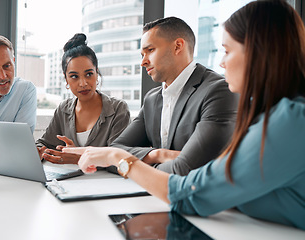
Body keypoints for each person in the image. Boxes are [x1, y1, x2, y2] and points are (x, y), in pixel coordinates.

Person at [64, 0, 305, 230]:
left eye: (227, 51)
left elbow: (191, 191)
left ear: (258, 53)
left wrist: (118, 157)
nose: (222, 63)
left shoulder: (289, 122)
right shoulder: (274, 117)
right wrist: (156, 154)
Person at [110, 16, 239, 175]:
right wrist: (158, 154)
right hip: (150, 194)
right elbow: (113, 151)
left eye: (150, 50)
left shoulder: (219, 91)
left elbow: (186, 168)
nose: (143, 62)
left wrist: (130, 165)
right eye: (142, 54)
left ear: (178, 46)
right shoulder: (152, 99)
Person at [37, 33, 130, 164]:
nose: (83, 83)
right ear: (66, 79)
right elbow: (44, 143)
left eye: (89, 74)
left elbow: (120, 158)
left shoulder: (118, 109)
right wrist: (39, 151)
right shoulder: (64, 109)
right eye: (74, 76)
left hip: (106, 182)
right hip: (69, 180)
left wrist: (80, 157)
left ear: (97, 73)